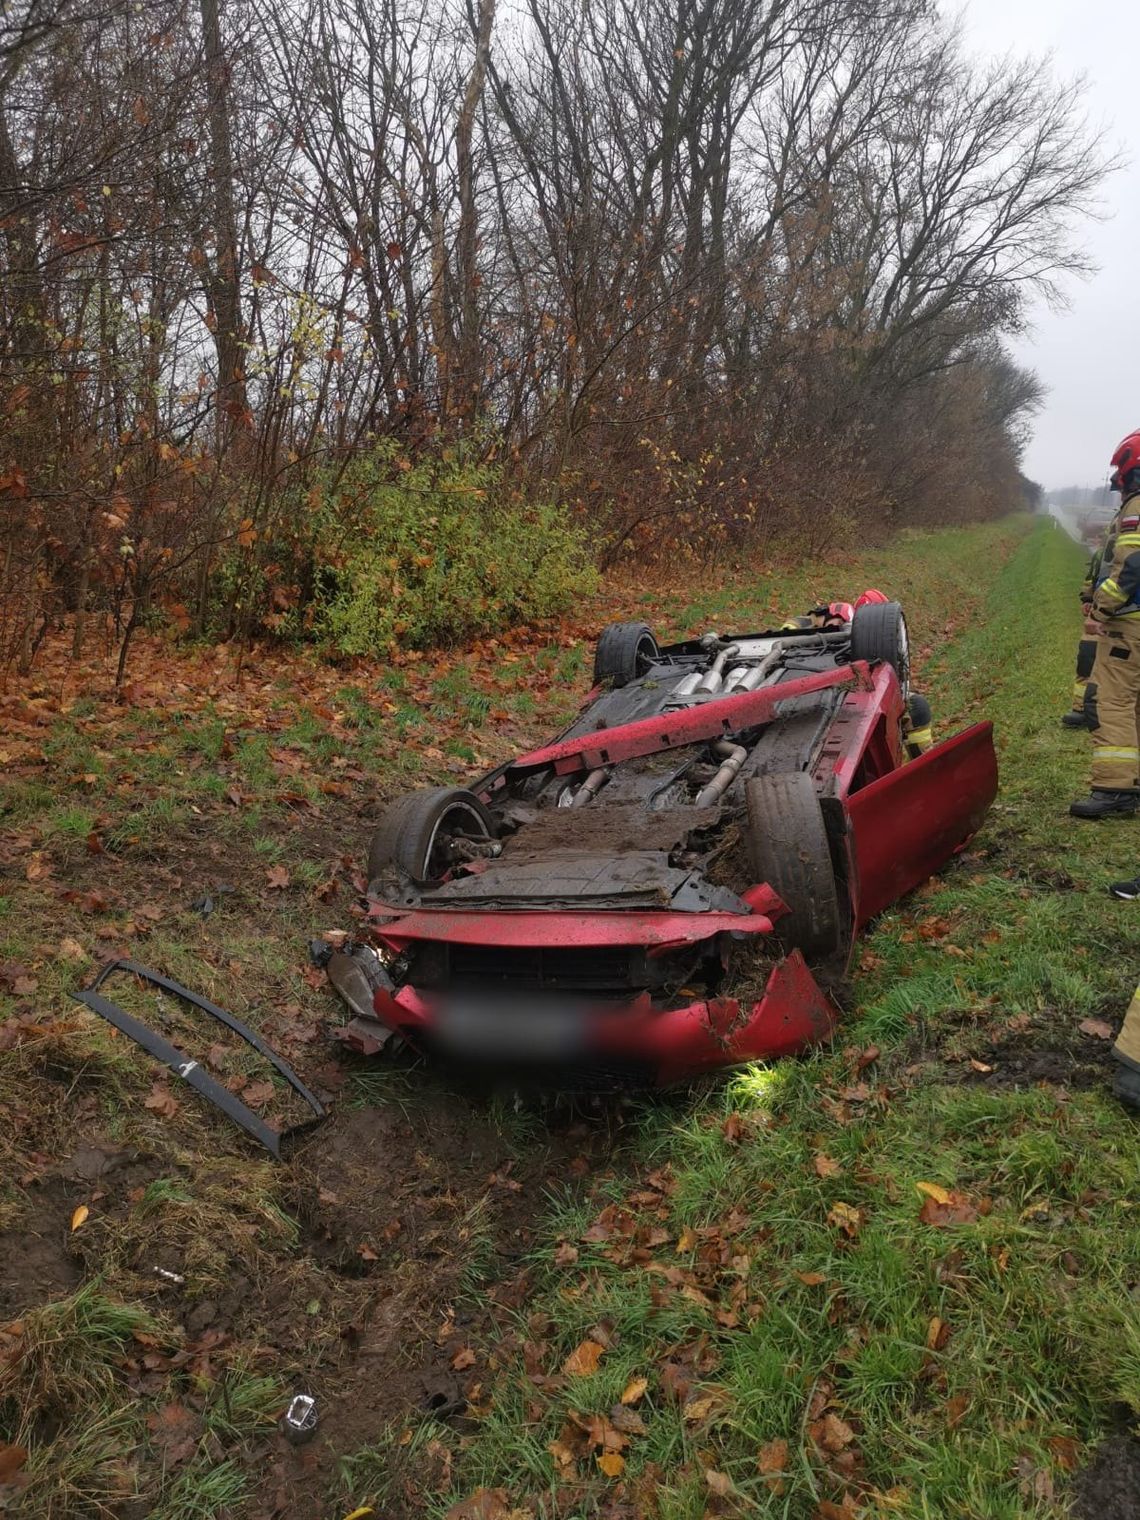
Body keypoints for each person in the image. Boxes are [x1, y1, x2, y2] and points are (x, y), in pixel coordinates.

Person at [1070, 430, 1140, 818]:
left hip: (1129, 625)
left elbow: (1132, 565)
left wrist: (1101, 609)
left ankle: (1115, 791)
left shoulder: (1136, 507)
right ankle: (1131, 783)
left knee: (1113, 703)